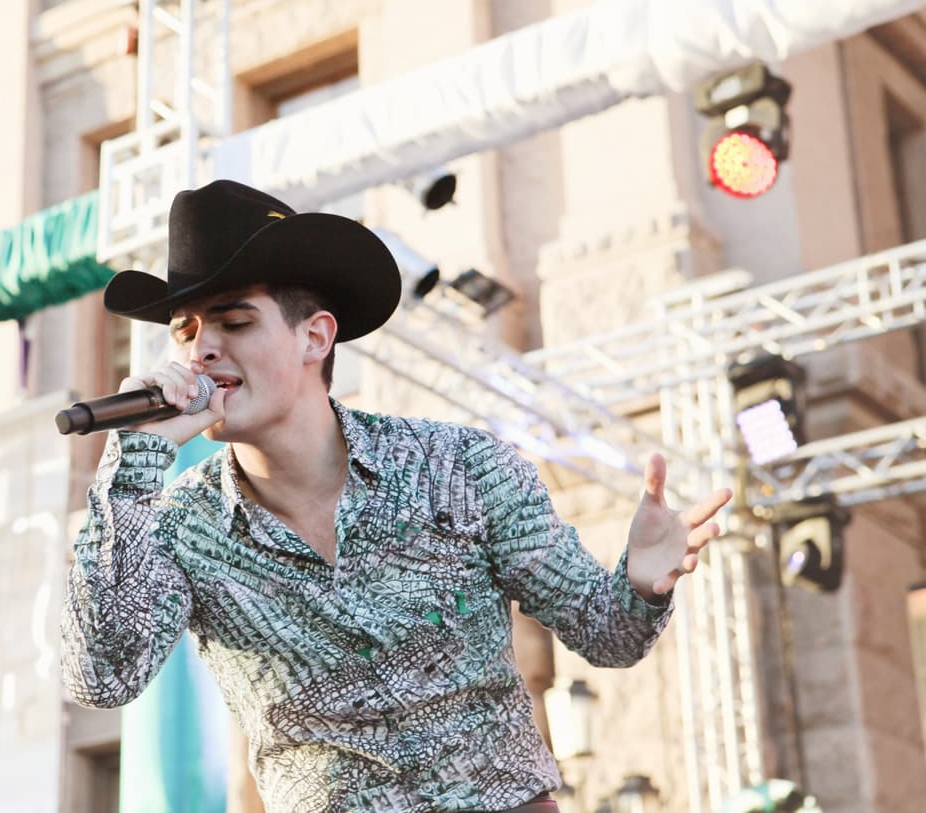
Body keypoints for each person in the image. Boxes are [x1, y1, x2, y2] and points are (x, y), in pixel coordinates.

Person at [60, 180, 730, 813]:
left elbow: (607, 634)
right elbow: (99, 679)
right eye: (184, 330)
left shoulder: (462, 465)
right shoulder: (179, 527)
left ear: (314, 336)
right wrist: (136, 459)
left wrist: (642, 581)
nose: (203, 347)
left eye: (234, 321)